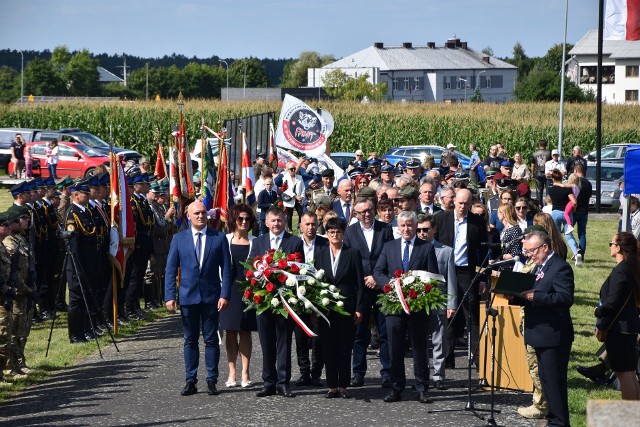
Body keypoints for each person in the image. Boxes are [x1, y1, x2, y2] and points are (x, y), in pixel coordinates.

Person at [164, 201, 233, 397]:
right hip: (188, 296)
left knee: (211, 340)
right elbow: (170, 270)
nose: (201, 216)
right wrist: (170, 295)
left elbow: (227, 269)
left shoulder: (218, 238)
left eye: (203, 213)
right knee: (190, 340)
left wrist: (224, 294)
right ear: (188, 216)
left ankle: (212, 380)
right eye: (196, 214)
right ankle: (190, 380)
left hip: (212, 297)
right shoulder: (179, 239)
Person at [373, 211, 439, 403]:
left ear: (416, 226)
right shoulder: (389, 247)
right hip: (394, 305)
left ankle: (422, 388)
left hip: (417, 306)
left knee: (419, 348)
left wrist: (420, 288)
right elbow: (378, 271)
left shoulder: (426, 248)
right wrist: (389, 284)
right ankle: (396, 388)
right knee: (395, 348)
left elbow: (433, 276)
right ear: (398, 227)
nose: (407, 229)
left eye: (410, 225)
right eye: (403, 225)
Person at [517, 231, 574, 427]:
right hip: (539, 334)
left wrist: (537, 297)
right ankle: (553, 419)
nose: (529, 254)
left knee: (554, 383)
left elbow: (565, 298)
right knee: (547, 383)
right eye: (527, 251)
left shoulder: (560, 268)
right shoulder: (539, 266)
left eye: (532, 250)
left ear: (545, 247)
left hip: (553, 336)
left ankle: (559, 422)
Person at [249, 207, 304, 398]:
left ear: (285, 221)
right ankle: (268, 382)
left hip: (285, 301)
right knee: (266, 342)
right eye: (273, 220)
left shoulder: (295, 242)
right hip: (263, 299)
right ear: (266, 222)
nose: (276, 224)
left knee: (284, 341)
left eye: (280, 220)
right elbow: (250, 268)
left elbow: (299, 270)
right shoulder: (258, 242)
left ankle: (283, 382)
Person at [434, 189, 488, 368]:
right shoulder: (441, 219)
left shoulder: (476, 221)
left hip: (467, 271)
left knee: (471, 314)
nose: (462, 207)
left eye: (466, 204)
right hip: (445, 271)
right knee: (447, 314)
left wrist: (482, 279)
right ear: (453, 201)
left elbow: (483, 251)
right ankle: (447, 359)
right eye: (460, 203)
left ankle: (478, 359)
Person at [344, 198, 394, 388]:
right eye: (362, 211)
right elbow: (350, 259)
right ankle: (358, 373)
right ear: (356, 214)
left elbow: (389, 254)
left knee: (384, 331)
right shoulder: (350, 232)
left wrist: (376, 277)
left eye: (369, 210)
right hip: (361, 288)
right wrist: (365, 277)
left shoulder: (385, 229)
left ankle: (387, 372)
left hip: (381, 286)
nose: (366, 214)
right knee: (359, 333)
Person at [315, 217, 364, 399]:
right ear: (327, 234)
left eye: (338, 232)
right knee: (328, 347)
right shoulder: (320, 254)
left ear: (344, 234)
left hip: (347, 307)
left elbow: (359, 284)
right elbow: (315, 284)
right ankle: (332, 386)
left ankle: (343, 385)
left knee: (344, 347)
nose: (335, 235)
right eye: (331, 232)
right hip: (326, 310)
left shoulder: (352, 253)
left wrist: (359, 308)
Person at [594, 232, 640, 400]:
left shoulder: (622, 270)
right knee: (629, 373)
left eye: (611, 244)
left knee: (624, 374)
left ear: (619, 247)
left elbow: (613, 303)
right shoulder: (631, 267)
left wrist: (597, 312)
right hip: (627, 327)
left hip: (619, 329)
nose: (610, 247)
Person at [417, 214, 456, 390]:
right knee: (420, 341)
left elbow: (451, 279)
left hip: (439, 301)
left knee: (439, 340)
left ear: (434, 229)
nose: (422, 233)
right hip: (418, 302)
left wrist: (451, 304)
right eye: (419, 230)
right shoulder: (413, 249)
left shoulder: (446, 251)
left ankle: (438, 375)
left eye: (425, 229)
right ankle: (422, 375)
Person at [220, 204, 257, 389]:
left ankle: (246, 372)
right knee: (230, 331)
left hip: (248, 292)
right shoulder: (224, 240)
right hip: (228, 291)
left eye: (247, 219)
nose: (243, 222)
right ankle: (232, 372)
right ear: (233, 220)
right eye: (240, 218)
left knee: (245, 331)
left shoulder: (256, 241)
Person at [294, 211, 327, 387]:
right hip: (298, 296)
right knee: (300, 336)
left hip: (320, 296)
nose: (311, 227)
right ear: (301, 225)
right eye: (307, 224)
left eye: (313, 224)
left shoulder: (324, 243)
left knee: (318, 337)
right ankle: (304, 373)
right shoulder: (294, 243)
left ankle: (316, 373)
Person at [548, 169, 582, 266]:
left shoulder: (551, 189)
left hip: (555, 212)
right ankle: (576, 254)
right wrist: (574, 209)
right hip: (566, 213)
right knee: (569, 235)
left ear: (553, 179)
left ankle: (557, 254)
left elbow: (549, 199)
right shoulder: (567, 189)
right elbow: (574, 201)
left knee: (556, 236)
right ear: (562, 178)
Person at [573, 164, 592, 258]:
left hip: (574, 210)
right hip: (584, 211)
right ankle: (581, 254)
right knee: (582, 234)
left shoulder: (575, 182)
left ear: (576, 170)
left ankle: (575, 249)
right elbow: (588, 198)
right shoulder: (589, 183)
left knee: (567, 232)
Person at [530, 140, 551, 208]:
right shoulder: (549, 153)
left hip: (538, 173)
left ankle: (539, 206)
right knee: (548, 190)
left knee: (539, 191)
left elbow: (532, 165)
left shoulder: (534, 154)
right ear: (546, 145)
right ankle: (548, 205)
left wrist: (532, 174)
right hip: (547, 173)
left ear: (539, 145)